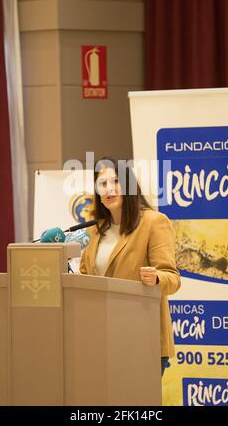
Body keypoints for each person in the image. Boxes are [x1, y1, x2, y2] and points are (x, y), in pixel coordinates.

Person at [79, 158, 181, 376]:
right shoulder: (94, 229)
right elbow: (85, 277)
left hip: (142, 336)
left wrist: (156, 278)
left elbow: (172, 279)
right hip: (101, 338)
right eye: (102, 184)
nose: (109, 189)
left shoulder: (154, 222)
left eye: (115, 181)